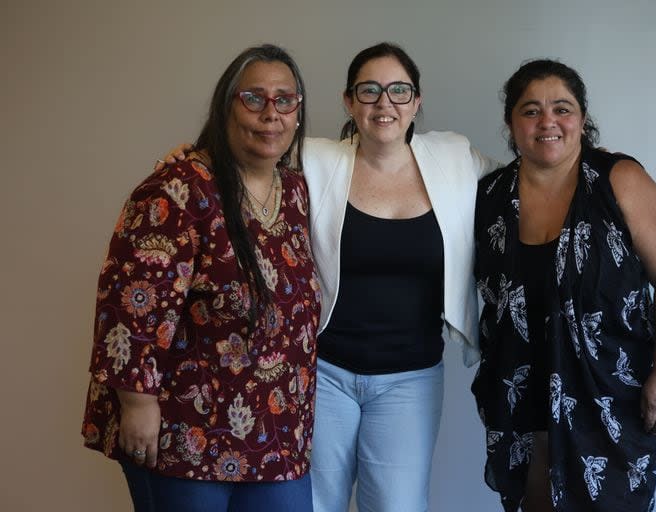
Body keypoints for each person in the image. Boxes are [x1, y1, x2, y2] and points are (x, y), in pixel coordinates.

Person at [159, 42, 499, 512]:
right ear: (348, 101)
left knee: (399, 506)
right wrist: (194, 158)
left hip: (411, 377)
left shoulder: (454, 157)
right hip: (324, 370)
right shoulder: (315, 160)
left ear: (416, 101)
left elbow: (519, 184)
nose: (385, 103)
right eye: (370, 91)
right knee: (314, 504)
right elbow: (246, 158)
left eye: (399, 91)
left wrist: (585, 165)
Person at [82, 44, 320, 512]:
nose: (271, 113)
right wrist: (136, 405)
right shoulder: (177, 189)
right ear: (225, 105)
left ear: (298, 111)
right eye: (254, 98)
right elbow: (131, 303)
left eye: (285, 99)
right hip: (184, 436)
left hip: (277, 438)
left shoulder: (295, 191)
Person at [473, 59, 656, 511]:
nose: (547, 121)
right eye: (531, 110)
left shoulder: (619, 181)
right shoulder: (489, 196)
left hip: (611, 395)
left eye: (562, 108)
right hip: (522, 392)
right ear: (511, 123)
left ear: (582, 119)